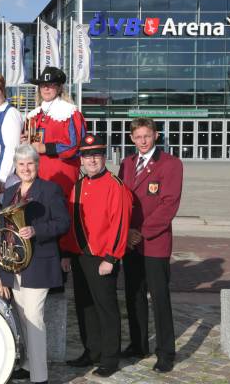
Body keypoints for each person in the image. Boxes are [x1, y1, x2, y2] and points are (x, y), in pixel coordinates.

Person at [0, 144, 70, 384]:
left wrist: (37, 230)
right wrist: (0, 254)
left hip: (40, 263)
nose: (26, 168)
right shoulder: (11, 191)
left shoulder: (50, 189)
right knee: (23, 317)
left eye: (30, 164)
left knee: (34, 318)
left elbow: (63, 223)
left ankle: (40, 377)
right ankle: (27, 364)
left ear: (38, 165)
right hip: (16, 264)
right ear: (16, 167)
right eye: (22, 164)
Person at [118, 117, 183, 373]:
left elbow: (169, 205)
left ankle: (166, 352)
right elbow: (122, 200)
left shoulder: (170, 164)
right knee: (134, 295)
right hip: (131, 242)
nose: (142, 141)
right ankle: (138, 344)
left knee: (159, 298)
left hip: (154, 242)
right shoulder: (127, 163)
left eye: (147, 136)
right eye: (138, 137)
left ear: (155, 135)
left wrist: (140, 233)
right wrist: (126, 232)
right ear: (132, 138)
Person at [65, 134, 133, 378]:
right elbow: (72, 222)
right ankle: (91, 351)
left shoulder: (116, 185)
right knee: (85, 307)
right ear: (81, 159)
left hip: (103, 257)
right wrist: (66, 253)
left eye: (96, 155)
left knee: (106, 309)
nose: (91, 160)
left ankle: (110, 358)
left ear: (104, 156)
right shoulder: (80, 184)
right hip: (80, 255)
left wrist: (111, 258)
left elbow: (120, 224)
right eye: (86, 155)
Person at [24, 66, 87, 269]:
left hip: (62, 176)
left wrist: (45, 147)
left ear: (59, 88)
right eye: (43, 85)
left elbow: (75, 144)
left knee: (59, 217)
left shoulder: (70, 112)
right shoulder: (34, 115)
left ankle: (63, 261)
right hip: (38, 175)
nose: (46, 88)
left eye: (51, 85)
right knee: (38, 217)